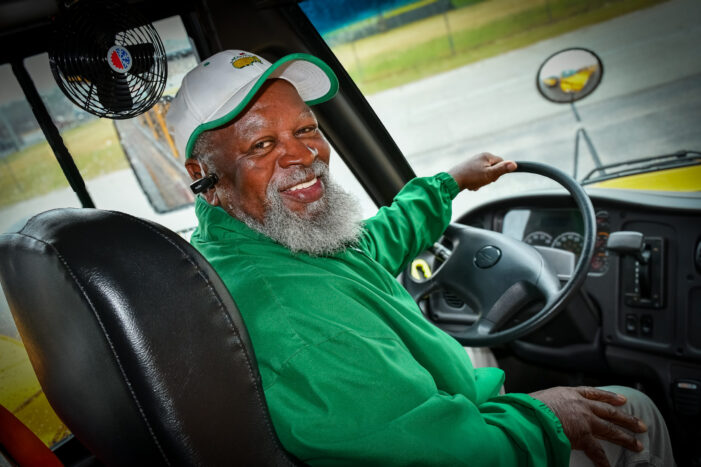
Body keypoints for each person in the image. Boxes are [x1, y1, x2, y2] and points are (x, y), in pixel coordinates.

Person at [167, 50, 675, 467]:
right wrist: (546, 415)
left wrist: (450, 182)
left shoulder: (264, 238)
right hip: (456, 447)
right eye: (262, 144)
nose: (303, 156)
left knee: (477, 354)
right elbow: (441, 456)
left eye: (306, 129)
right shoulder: (288, 314)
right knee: (636, 412)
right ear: (203, 174)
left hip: (439, 412)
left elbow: (369, 246)